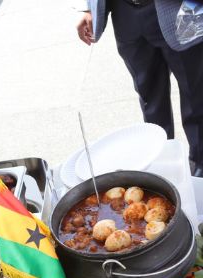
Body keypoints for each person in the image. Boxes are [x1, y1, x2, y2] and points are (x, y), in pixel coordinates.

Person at [76, 0, 203, 176]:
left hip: (178, 11)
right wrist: (90, 8)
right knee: (150, 101)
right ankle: (162, 168)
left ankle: (200, 168)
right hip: (125, 15)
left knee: (195, 98)